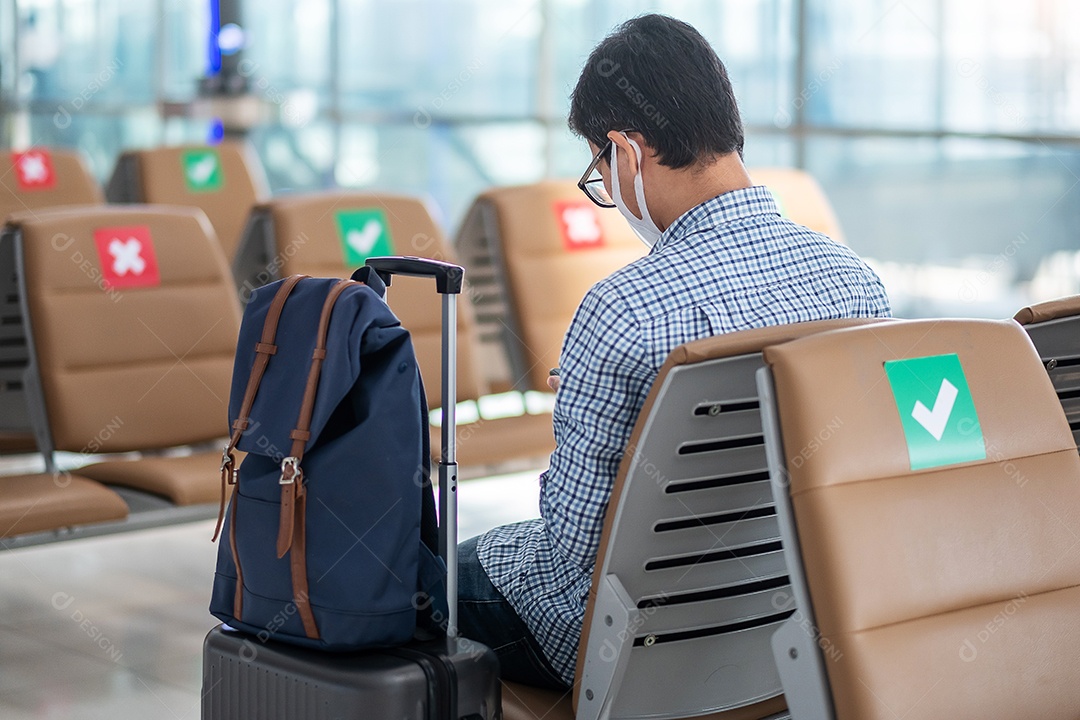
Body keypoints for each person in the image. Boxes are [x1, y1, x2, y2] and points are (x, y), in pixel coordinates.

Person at [457, 13, 891, 691]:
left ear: (627, 151)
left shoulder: (622, 308)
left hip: (627, 646)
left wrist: (582, 403)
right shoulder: (857, 283)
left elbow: (574, 554)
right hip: (790, 624)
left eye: (600, 168)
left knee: (416, 574)